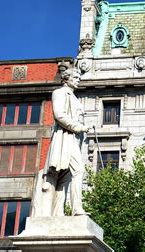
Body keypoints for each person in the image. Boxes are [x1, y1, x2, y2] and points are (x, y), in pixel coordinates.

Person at [42, 67, 91, 216]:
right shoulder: (59, 93)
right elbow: (59, 115)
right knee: (78, 170)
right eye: (75, 77)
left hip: (74, 140)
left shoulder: (74, 97)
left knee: (65, 177)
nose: (78, 80)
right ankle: (77, 209)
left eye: (79, 78)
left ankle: (57, 213)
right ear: (66, 78)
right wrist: (79, 127)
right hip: (66, 137)